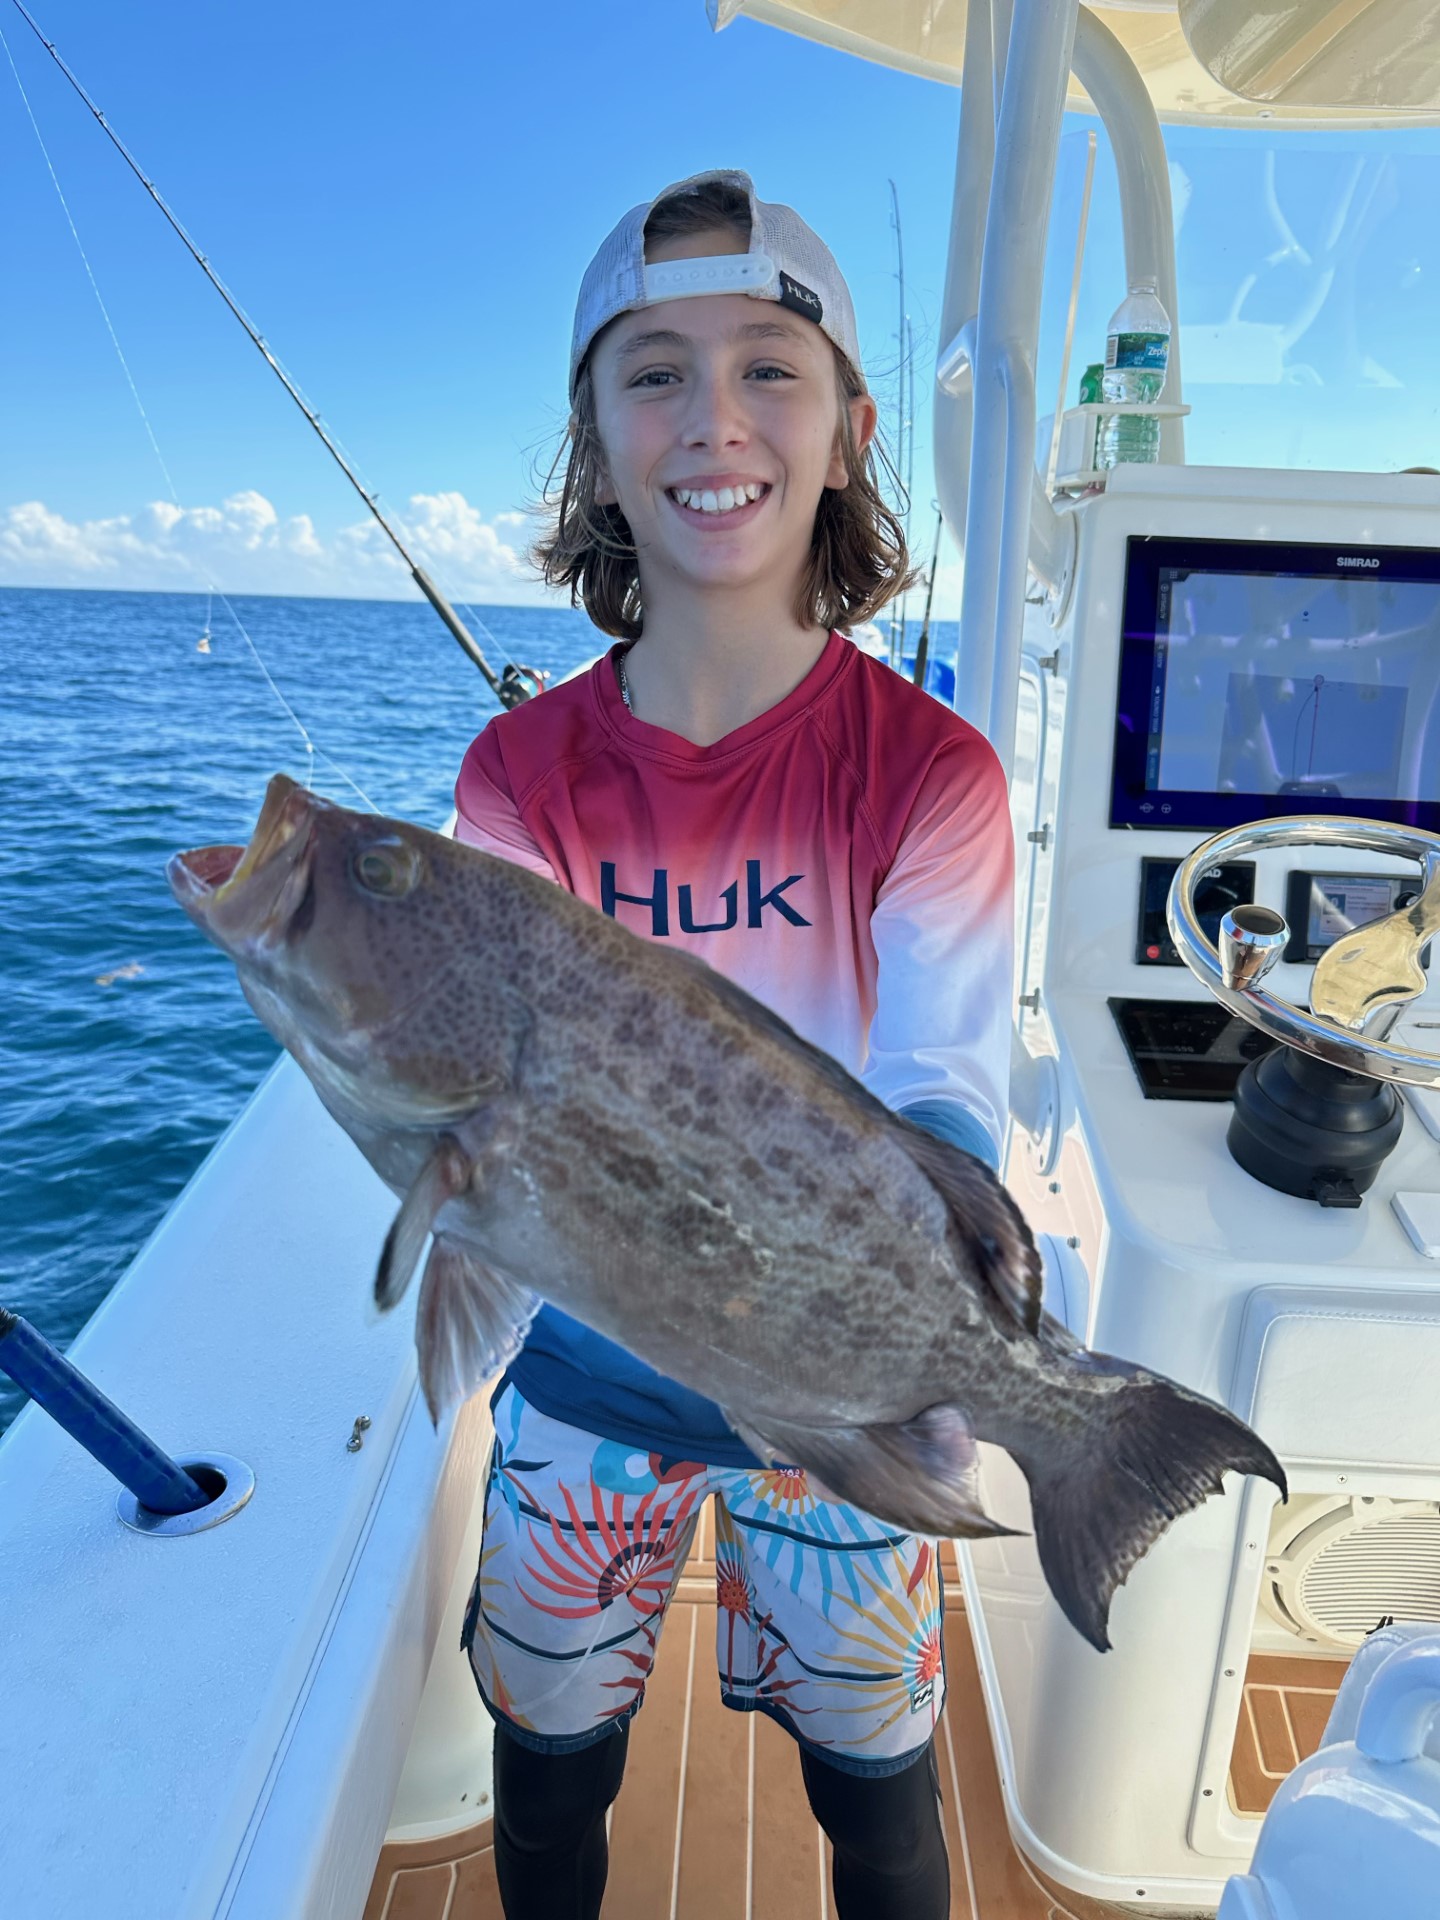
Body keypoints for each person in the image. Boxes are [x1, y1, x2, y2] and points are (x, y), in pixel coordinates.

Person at [452, 168, 1012, 1919]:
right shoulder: (517, 777)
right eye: (655, 373)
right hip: (585, 1377)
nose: (713, 419)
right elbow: (494, 1081)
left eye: (769, 366)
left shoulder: (932, 776)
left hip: (845, 1402)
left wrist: (930, 1331)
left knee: (881, 1789)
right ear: (597, 445)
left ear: (848, 432)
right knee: (546, 1765)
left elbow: (943, 1091)